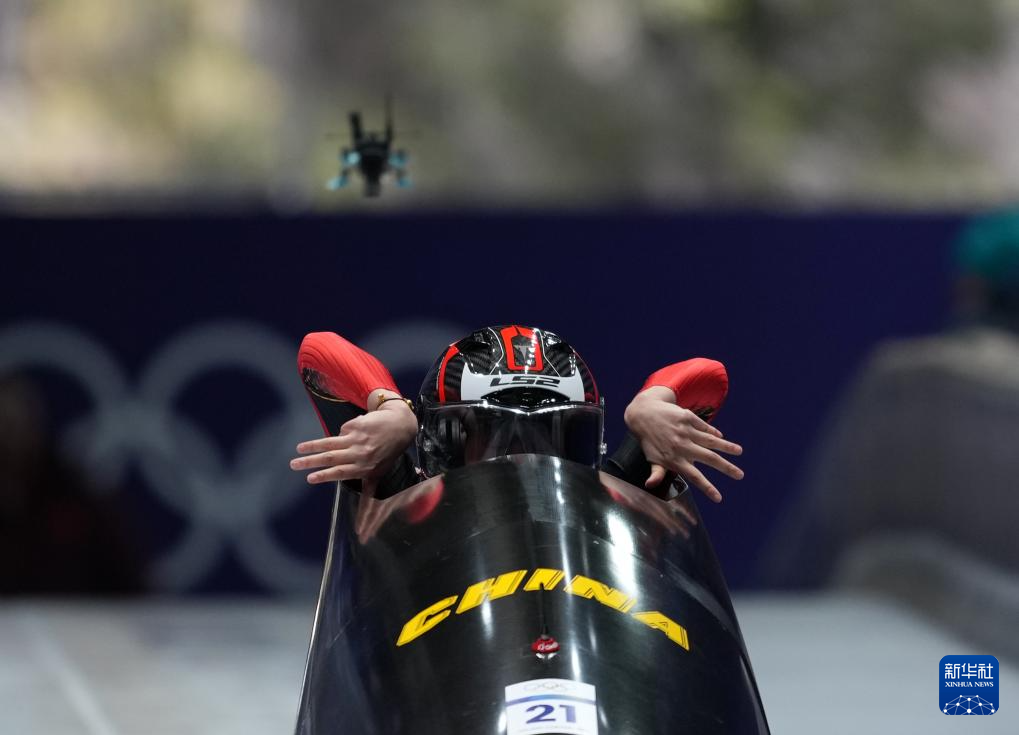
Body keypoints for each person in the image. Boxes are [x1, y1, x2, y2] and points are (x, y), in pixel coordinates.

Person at [289, 325, 743, 500]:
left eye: (551, 436)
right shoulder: (400, 491)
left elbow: (711, 376)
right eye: (494, 436)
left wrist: (651, 404)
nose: (524, 461)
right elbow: (317, 350)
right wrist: (391, 408)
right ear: (439, 439)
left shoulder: (615, 492)